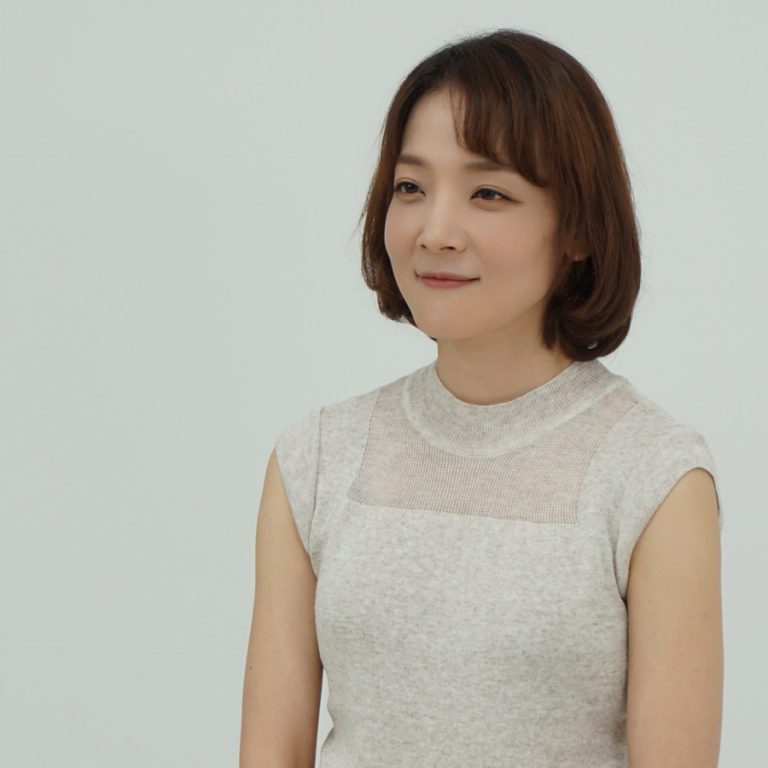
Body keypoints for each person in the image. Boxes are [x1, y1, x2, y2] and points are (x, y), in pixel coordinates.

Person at [240, 28, 724, 768]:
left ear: (579, 228)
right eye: (410, 188)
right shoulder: (317, 458)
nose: (435, 232)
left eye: (489, 193)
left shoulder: (654, 475)